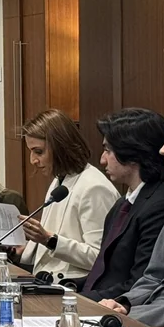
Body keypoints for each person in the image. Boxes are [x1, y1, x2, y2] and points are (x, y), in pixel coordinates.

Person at [99, 106, 164, 327]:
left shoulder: (161, 200)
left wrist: (132, 315)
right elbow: (154, 275)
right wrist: (125, 303)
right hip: (152, 311)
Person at [80, 109, 164, 301]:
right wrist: (67, 289)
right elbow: (105, 274)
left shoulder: (161, 204)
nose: (102, 160)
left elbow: (140, 284)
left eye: (108, 150)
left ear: (132, 153)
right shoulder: (123, 203)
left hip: (123, 309)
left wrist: (81, 300)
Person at [19, 108, 119, 283]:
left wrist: (49, 240)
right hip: (46, 278)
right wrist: (24, 249)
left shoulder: (94, 187)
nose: (32, 160)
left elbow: (99, 257)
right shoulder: (60, 180)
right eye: (31, 152)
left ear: (60, 147)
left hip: (75, 286)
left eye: (39, 152)